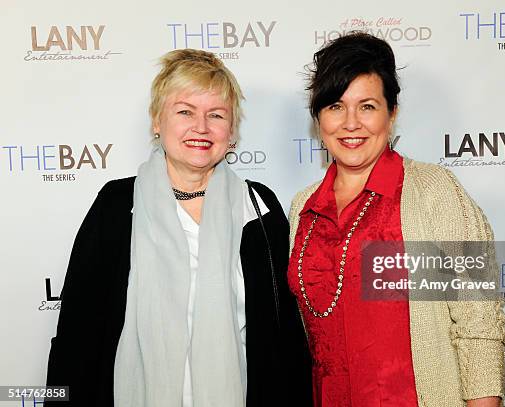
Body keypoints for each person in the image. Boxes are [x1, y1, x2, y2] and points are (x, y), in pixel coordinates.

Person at [46, 49, 311, 407]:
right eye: (185, 111)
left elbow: (286, 339)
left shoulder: (259, 208)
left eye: (216, 115)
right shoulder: (117, 205)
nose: (201, 127)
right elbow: (77, 334)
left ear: (231, 131)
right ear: (157, 121)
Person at [287, 32, 505, 407]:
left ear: (392, 113)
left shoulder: (433, 190)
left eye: (367, 106)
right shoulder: (303, 208)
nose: (351, 123)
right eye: (336, 106)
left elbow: (478, 319)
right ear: (318, 117)